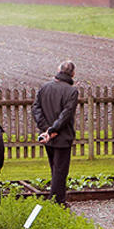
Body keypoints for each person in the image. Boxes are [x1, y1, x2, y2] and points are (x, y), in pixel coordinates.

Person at [31, 60, 78, 203]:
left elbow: (36, 108)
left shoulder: (45, 87)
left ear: (58, 70)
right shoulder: (72, 91)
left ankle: (58, 201)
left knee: (55, 169)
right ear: (73, 73)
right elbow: (66, 114)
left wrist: (46, 129)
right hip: (61, 137)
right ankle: (56, 202)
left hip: (48, 137)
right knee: (60, 171)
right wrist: (52, 130)